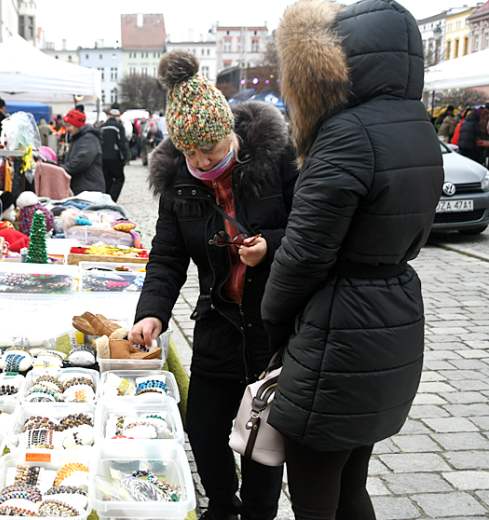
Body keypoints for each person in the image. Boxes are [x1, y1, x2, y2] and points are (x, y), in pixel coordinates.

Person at [263, 1, 444, 519]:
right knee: (351, 485)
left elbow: (302, 255)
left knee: (316, 493)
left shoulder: (347, 133)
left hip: (337, 333)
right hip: (392, 317)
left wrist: (274, 323)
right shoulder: (417, 125)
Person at [130, 50, 298, 520]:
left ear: (232, 132)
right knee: (203, 432)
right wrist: (152, 313)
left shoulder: (277, 158)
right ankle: (222, 507)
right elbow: (166, 256)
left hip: (271, 326)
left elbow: (311, 230)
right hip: (218, 324)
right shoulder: (180, 183)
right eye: (192, 152)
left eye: (213, 148)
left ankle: (259, 515)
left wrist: (271, 246)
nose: (204, 161)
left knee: (261, 441)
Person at [62, 109, 105, 193]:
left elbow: (82, 160)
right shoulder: (77, 138)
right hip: (82, 186)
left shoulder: (89, 138)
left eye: (69, 126)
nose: (67, 129)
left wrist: (62, 170)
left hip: (90, 188)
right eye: (66, 126)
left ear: (77, 126)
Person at [100, 108, 130, 201]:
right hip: (115, 157)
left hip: (103, 157)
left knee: (107, 179)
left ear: (109, 116)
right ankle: (112, 198)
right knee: (119, 178)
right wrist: (125, 157)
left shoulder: (102, 127)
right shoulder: (119, 127)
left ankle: (106, 198)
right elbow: (122, 142)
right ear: (118, 117)